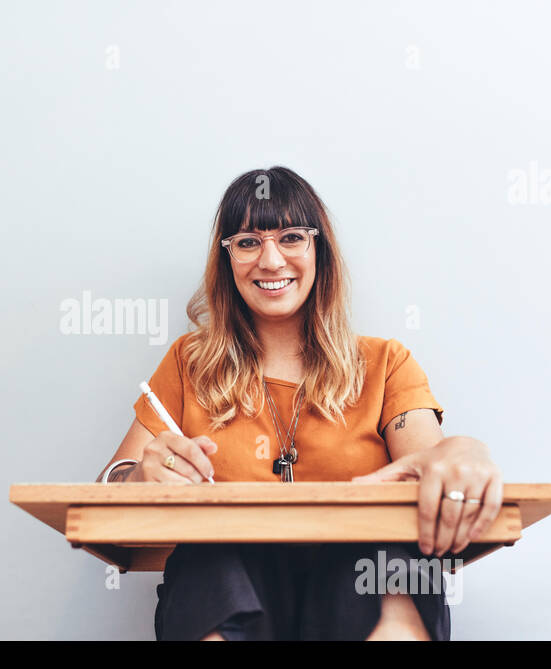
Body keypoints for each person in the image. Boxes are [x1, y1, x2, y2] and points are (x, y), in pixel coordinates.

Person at [96, 166, 503, 641]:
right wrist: (140, 476)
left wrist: (464, 451)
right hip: (228, 595)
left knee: (388, 558)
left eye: (291, 236)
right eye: (247, 242)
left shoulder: (385, 362)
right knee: (209, 552)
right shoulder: (189, 364)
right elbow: (109, 492)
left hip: (360, 595)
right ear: (227, 259)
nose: (270, 260)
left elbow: (432, 466)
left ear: (318, 251)